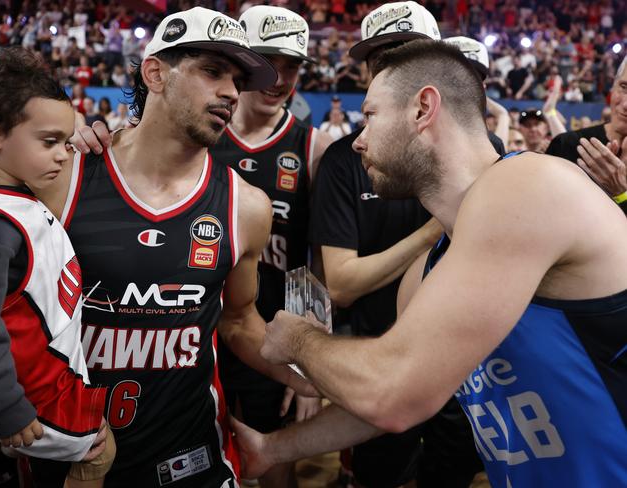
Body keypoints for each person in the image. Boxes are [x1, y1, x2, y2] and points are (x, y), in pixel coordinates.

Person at [238, 40, 627, 487]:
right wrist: (271, 450)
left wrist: (299, 340)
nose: (359, 141)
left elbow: (392, 395)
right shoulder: (427, 271)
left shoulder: (529, 183)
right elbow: (397, 397)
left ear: (423, 108)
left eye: (370, 116)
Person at [40, 7, 313, 488]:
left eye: (235, 78)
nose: (231, 91)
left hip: (193, 461)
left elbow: (238, 321)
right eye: (212, 71)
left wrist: (311, 374)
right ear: (155, 72)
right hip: (68, 461)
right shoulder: (65, 176)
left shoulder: (246, 207)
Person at [309, 4, 481, 488]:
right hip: (377, 356)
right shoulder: (347, 157)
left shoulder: (479, 154)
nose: (390, 69)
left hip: (468, 368)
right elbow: (341, 283)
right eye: (380, 58)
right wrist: (435, 231)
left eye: (405, 56)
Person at [0, 47, 111, 488]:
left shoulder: (13, 194)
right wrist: (6, 404)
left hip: (35, 384)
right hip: (31, 401)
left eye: (66, 142)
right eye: (50, 142)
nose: (64, 155)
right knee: (99, 450)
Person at [211, 6, 333, 488]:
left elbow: (319, 267)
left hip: (275, 335)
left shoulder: (313, 146)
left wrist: (310, 365)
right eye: (267, 61)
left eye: (293, 65)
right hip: (201, 327)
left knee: (276, 454)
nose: (279, 77)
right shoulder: (201, 134)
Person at [546, 56, 627, 215]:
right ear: (612, 87)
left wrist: (622, 193)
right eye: (624, 87)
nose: (625, 105)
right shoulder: (567, 145)